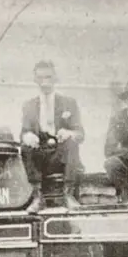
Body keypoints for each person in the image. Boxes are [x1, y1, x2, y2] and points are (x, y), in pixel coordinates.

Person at [19, 60, 85, 212]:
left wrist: (69, 133)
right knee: (25, 147)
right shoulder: (29, 105)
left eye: (48, 77)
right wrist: (28, 136)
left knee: (72, 142)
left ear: (55, 78)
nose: (45, 82)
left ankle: (68, 195)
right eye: (40, 78)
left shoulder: (69, 103)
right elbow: (23, 132)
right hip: (40, 155)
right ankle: (37, 197)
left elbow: (80, 134)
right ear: (35, 80)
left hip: (61, 155)